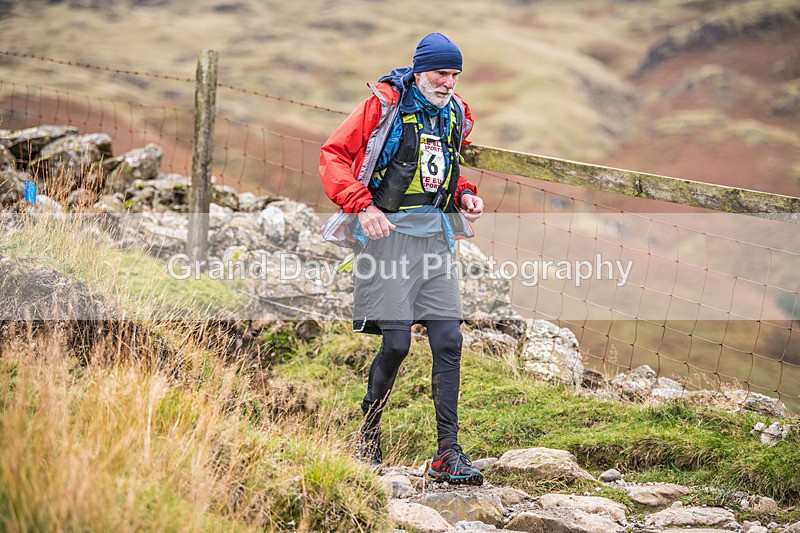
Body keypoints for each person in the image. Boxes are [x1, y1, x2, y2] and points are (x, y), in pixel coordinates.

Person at [319, 32, 485, 485]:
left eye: (455, 75)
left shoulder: (454, 114)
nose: (449, 83)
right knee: (396, 345)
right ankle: (368, 433)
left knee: (449, 340)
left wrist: (465, 195)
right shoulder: (384, 105)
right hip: (389, 241)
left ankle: (447, 452)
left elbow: (440, 168)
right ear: (418, 70)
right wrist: (363, 205)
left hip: (436, 242)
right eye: (441, 74)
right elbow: (333, 155)